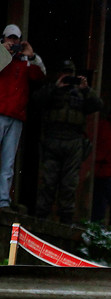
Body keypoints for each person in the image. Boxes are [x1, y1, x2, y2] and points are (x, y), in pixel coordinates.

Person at [35, 59, 103, 224]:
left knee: (69, 183)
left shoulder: (81, 93)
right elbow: (37, 100)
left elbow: (98, 104)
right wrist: (54, 88)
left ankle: (66, 217)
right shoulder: (52, 90)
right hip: (53, 139)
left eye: (70, 74)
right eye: (64, 73)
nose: (67, 77)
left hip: (73, 141)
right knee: (48, 181)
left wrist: (86, 90)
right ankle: (42, 216)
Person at [0, 24, 46, 211]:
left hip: (16, 117)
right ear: (3, 38)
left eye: (16, 39)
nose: (13, 42)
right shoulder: (3, 55)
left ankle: (2, 201)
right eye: (10, 38)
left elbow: (41, 75)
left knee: (8, 162)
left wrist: (32, 56)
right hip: (0, 112)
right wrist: (3, 52)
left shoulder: (25, 60)